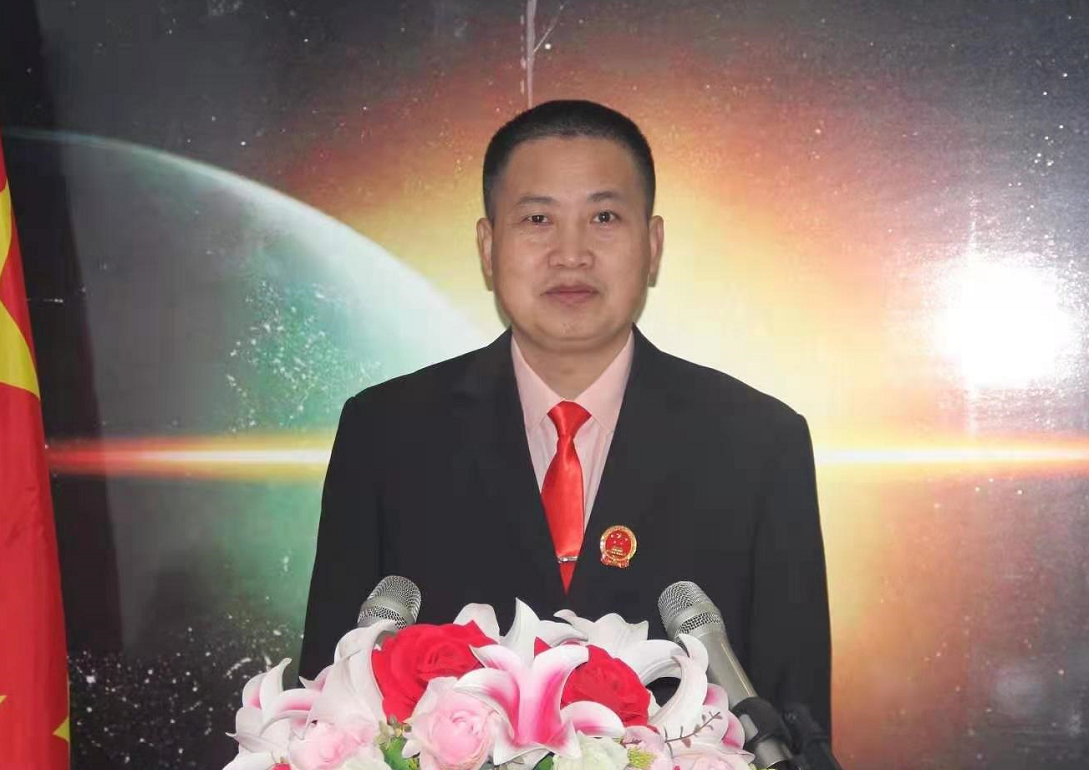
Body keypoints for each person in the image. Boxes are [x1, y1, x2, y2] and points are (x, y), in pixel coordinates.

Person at [299, 99, 831, 735]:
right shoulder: (386, 434)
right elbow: (326, 707)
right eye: (537, 219)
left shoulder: (758, 444)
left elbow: (796, 734)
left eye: (604, 217)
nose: (571, 254)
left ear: (652, 244)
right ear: (488, 246)